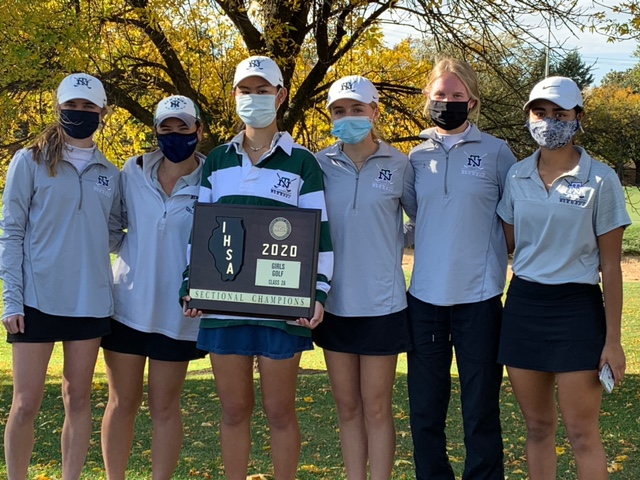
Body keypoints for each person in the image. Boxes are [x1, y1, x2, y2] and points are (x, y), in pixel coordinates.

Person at [181, 55, 333, 480]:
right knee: (233, 411)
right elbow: (199, 234)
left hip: (283, 309)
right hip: (224, 308)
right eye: (245, 90)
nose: (254, 98)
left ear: (280, 96)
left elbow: (320, 235)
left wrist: (317, 294)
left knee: (280, 411)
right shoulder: (216, 162)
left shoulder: (302, 162)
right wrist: (190, 285)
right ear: (234, 97)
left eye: (263, 90)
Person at [497, 76, 630, 480]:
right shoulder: (517, 176)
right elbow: (511, 241)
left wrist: (612, 341)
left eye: (560, 113)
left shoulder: (602, 179)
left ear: (578, 118)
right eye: (541, 112)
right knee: (538, 428)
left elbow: (610, 267)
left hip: (577, 312)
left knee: (582, 433)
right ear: (528, 117)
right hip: (523, 308)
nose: (549, 121)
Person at [0, 73, 121, 480]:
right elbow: (11, 231)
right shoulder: (29, 161)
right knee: (25, 403)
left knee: (79, 399)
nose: (79, 113)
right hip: (36, 300)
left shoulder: (111, 172)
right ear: (59, 107)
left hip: (90, 303)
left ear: (102, 112)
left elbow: (115, 232)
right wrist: (11, 300)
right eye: (72, 105)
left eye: (89, 107)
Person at [406, 57, 517, 480]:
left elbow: (511, 218)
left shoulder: (497, 152)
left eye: (456, 95)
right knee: (425, 412)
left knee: (480, 410)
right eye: (440, 95)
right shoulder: (414, 158)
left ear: (472, 101)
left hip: (480, 299)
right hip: (425, 300)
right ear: (428, 100)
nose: (448, 102)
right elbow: (419, 216)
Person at [312, 75, 416, 480]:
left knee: (376, 407)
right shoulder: (318, 165)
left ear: (374, 112)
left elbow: (419, 220)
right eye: (339, 111)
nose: (349, 117)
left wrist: (394, 242)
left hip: (382, 304)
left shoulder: (400, 163)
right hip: (333, 303)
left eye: (357, 109)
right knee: (348, 406)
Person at [100, 95, 206, 480]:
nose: (175, 135)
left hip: (179, 316)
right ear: (156, 131)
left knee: (165, 408)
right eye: (167, 127)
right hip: (126, 307)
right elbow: (111, 231)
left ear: (199, 129)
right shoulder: (132, 171)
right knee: (121, 403)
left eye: (183, 127)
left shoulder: (212, 179)